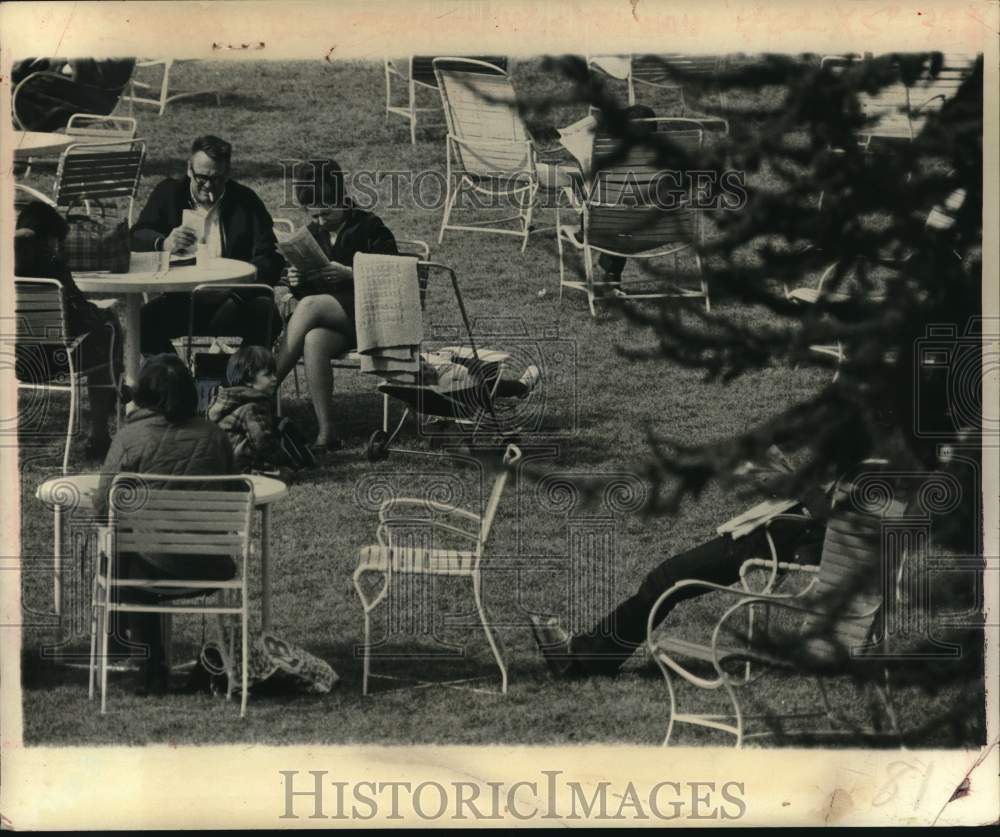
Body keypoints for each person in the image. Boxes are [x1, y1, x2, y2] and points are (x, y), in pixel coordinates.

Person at [530, 474, 834, 677]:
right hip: (781, 529)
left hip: (781, 538)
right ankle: (591, 656)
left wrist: (798, 485)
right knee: (665, 580)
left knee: (667, 579)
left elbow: (837, 516)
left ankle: (583, 660)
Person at [94, 354, 238, 694]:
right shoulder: (215, 436)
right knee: (130, 550)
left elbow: (103, 507)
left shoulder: (131, 438)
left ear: (144, 393)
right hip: (212, 564)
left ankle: (146, 665)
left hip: (149, 563)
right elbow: (231, 491)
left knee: (119, 552)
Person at [273, 159, 399, 450]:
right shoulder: (313, 234)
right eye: (313, 215)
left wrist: (352, 274)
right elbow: (308, 291)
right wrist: (295, 279)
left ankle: (265, 386)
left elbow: (397, 274)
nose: (319, 221)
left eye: (325, 213)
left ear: (342, 199)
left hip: (374, 315)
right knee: (314, 339)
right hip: (338, 321)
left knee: (309, 308)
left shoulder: (368, 226)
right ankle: (327, 431)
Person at [130, 135, 284, 356]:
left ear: (227, 173)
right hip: (183, 300)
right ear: (189, 169)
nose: (209, 186)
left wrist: (241, 289)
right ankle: (177, 383)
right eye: (202, 178)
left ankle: (238, 383)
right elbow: (136, 236)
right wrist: (164, 242)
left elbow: (270, 255)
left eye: (218, 179)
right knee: (142, 322)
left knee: (266, 313)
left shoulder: (245, 201)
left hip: (234, 300)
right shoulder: (170, 193)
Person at [14, 201, 124, 459]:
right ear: (48, 239)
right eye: (57, 242)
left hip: (10, 362)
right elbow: (81, 319)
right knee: (108, 330)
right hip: (53, 362)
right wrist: (102, 313)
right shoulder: (53, 270)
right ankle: (99, 433)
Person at [207, 345, 287, 473]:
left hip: (219, 465)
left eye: (274, 373)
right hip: (239, 468)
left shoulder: (228, 401)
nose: (274, 378)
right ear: (249, 379)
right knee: (284, 475)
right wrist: (285, 459)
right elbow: (263, 442)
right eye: (268, 375)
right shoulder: (252, 408)